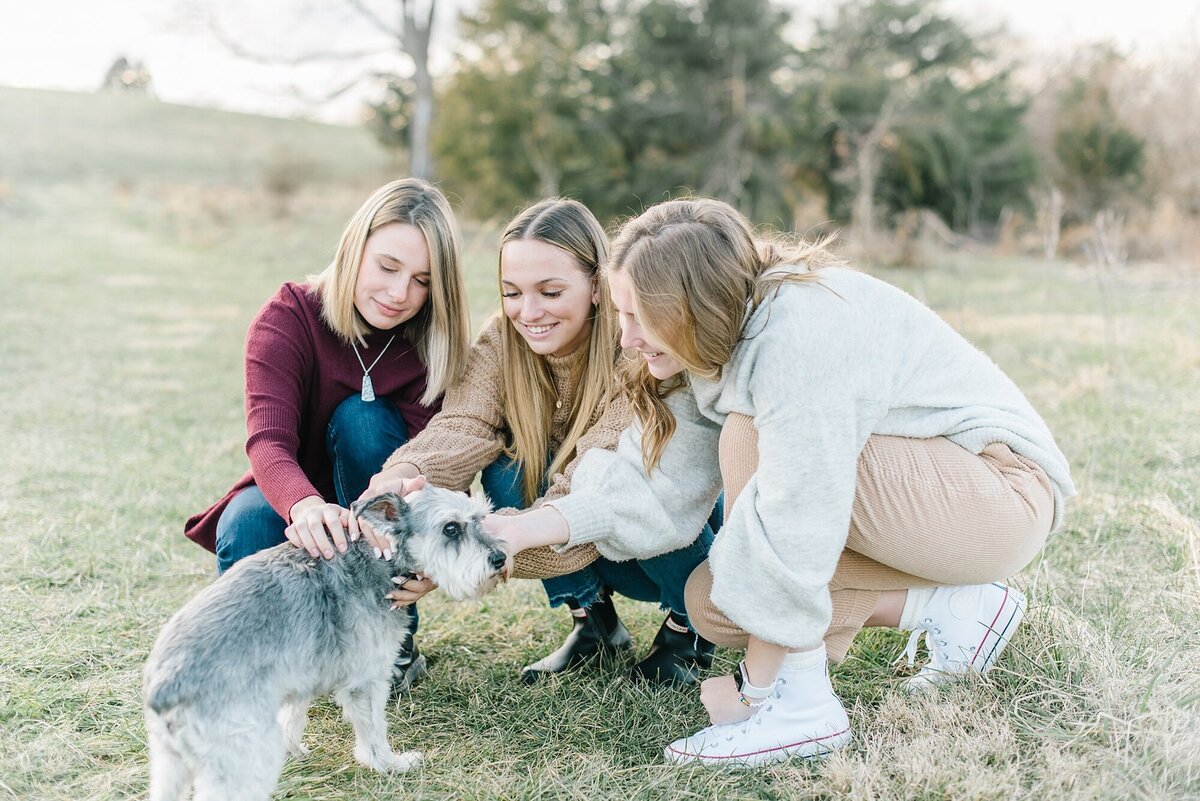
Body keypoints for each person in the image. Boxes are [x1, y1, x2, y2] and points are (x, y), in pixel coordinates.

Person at [487, 197, 1075, 766]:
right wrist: (508, 537)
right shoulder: (711, 342)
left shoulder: (796, 333)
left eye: (642, 318)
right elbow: (648, 486)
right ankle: (955, 610)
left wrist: (757, 694)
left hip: (999, 496)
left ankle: (801, 710)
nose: (626, 339)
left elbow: (799, 509)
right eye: (621, 313)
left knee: (751, 439)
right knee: (713, 602)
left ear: (692, 305)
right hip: (922, 507)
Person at [361, 197, 719, 686]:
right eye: (512, 293)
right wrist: (401, 476)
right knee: (509, 470)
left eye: (550, 292)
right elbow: (465, 424)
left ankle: (689, 630)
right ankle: (593, 623)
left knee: (650, 475)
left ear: (597, 285)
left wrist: (487, 546)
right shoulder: (499, 343)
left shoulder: (638, 347)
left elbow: (600, 488)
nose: (528, 313)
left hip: (661, 538)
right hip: (575, 535)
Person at [184, 177, 471, 692]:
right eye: (387, 267)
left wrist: (430, 554)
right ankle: (267, 667)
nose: (399, 293)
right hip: (290, 493)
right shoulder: (289, 316)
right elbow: (267, 442)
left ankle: (390, 645)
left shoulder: (434, 347)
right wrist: (304, 506)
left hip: (381, 510)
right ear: (354, 247)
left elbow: (434, 464)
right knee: (244, 524)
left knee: (363, 419)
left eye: (422, 279)